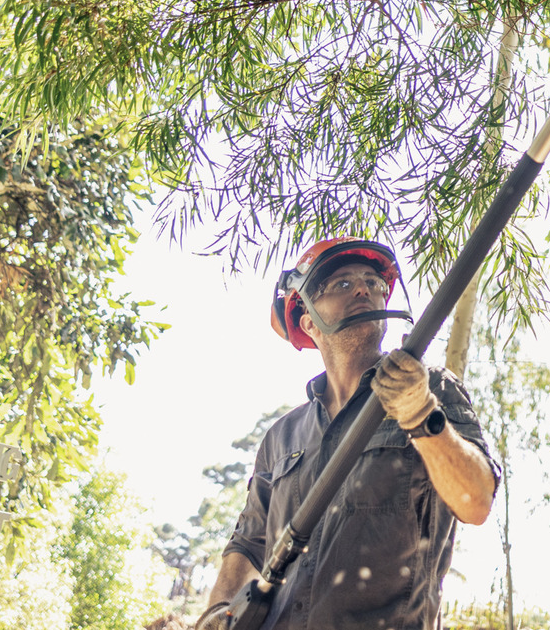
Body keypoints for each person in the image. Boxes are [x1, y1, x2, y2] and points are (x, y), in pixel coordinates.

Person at [197, 238, 498, 630]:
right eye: (341, 284)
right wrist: (215, 614)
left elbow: (476, 501)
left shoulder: (430, 388)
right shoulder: (282, 438)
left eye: (373, 282)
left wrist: (421, 414)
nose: (364, 289)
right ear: (308, 321)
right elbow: (248, 544)